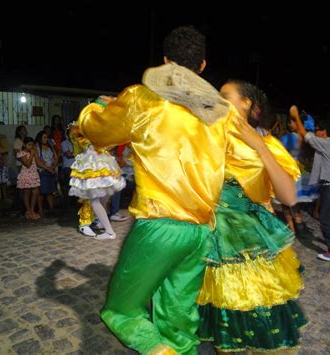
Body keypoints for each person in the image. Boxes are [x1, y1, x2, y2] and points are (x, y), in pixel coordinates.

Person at [74, 26, 249, 354]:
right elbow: (243, 165)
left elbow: (96, 132)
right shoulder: (219, 115)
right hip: (200, 233)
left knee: (121, 311)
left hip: (159, 226)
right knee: (179, 322)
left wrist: (96, 106)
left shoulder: (142, 99)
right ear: (202, 66)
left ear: (166, 60)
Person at [197, 80, 305, 353]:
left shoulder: (267, 142)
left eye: (225, 96)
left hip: (249, 238)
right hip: (206, 236)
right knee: (220, 314)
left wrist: (260, 146)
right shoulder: (204, 135)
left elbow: (289, 197)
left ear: (247, 103)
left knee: (259, 309)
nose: (218, 100)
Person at [291, 106, 330, 261]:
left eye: (317, 130)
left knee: (325, 218)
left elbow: (306, 135)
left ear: (323, 132)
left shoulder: (326, 143)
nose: (315, 132)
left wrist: (297, 116)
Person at [16, 137, 41, 220]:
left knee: (35, 192)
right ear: (24, 144)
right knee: (27, 193)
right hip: (26, 174)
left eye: (32, 145)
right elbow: (27, 164)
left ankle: (32, 209)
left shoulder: (33, 152)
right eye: (29, 145)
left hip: (34, 174)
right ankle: (28, 210)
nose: (31, 146)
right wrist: (31, 155)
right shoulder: (21, 153)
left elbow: (37, 162)